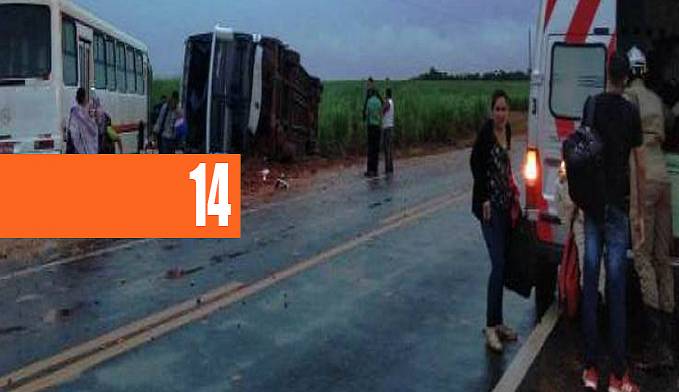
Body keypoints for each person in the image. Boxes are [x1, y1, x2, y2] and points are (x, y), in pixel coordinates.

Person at [580, 54, 645, 392]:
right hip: (618, 211)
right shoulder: (631, 113)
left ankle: (590, 369)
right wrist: (640, 214)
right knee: (616, 290)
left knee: (591, 286)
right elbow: (637, 166)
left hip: (592, 209)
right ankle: (619, 376)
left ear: (607, 74)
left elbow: (581, 156)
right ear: (627, 77)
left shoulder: (590, 106)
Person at [624, 46, 676, 371]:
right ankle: (669, 340)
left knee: (641, 258)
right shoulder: (657, 99)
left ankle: (656, 346)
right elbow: (671, 122)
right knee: (662, 259)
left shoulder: (627, 98)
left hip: (641, 176)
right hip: (663, 178)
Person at [470, 90, 518, 353]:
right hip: (488, 209)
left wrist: (513, 192)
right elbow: (476, 165)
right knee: (497, 264)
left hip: (505, 206)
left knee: (503, 263)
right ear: (491, 111)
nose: (501, 114)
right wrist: (485, 198)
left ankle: (498, 322)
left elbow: (505, 168)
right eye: (497, 109)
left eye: (504, 109)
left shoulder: (507, 131)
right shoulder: (486, 135)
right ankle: (490, 327)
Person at [66, 87, 98, 154]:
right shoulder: (88, 113)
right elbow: (94, 131)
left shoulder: (74, 112)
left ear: (76, 98)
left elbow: (73, 133)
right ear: (84, 98)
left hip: (78, 149)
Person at [364, 88, 383, 177]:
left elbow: (367, 114)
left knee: (370, 149)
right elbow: (381, 114)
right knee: (376, 149)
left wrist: (367, 124)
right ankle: (375, 170)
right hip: (377, 127)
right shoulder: (379, 102)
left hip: (370, 127)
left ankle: (369, 170)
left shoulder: (369, 101)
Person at [382, 88, 395, 175]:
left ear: (386, 94)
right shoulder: (392, 102)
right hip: (390, 126)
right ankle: (390, 167)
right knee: (389, 148)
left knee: (387, 148)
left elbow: (382, 111)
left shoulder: (388, 102)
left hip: (387, 127)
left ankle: (387, 168)